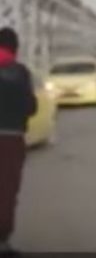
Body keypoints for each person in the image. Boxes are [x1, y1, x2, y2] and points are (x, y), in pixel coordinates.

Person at [0, 27, 37, 255]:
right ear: (15, 48)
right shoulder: (20, 72)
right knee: (5, 191)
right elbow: (31, 107)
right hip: (10, 138)